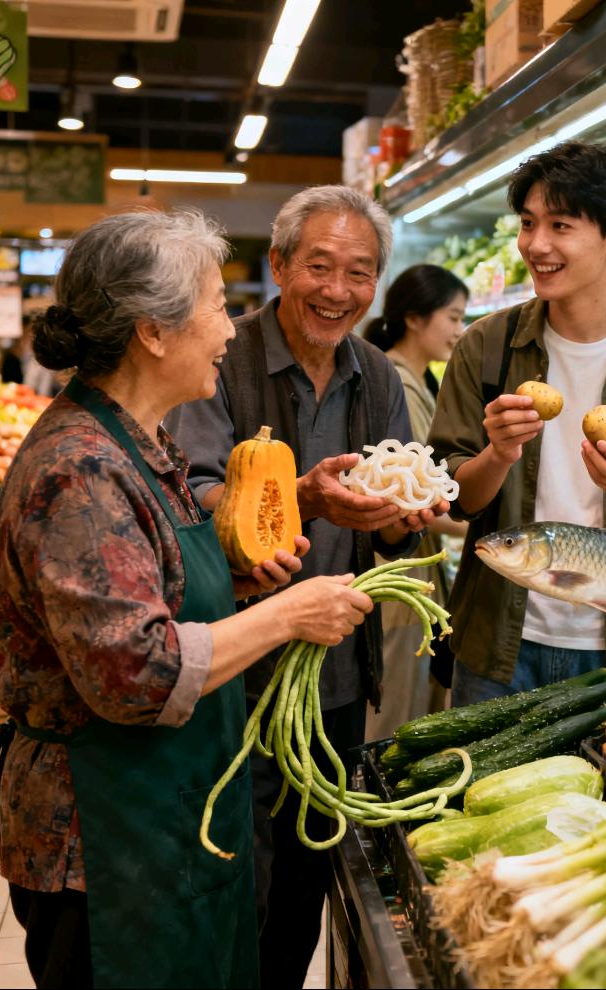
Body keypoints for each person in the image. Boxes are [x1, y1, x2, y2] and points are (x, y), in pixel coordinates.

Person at [0, 209, 374, 990]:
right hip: (97, 839)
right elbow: (137, 674)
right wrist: (288, 614)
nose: (230, 331)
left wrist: (241, 576)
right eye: (214, 306)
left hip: (158, 812)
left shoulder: (142, 442)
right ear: (152, 332)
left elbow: (145, 588)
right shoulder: (80, 471)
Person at [167, 185, 448, 988]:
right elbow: (195, 503)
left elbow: (391, 529)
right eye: (318, 266)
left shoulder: (376, 377)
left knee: (306, 879)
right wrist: (303, 499)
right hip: (238, 671)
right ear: (280, 265)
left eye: (359, 273)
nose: (337, 290)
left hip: (333, 678)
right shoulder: (222, 358)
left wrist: (403, 509)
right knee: (234, 881)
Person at [428, 141, 606, 707]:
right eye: (528, 223)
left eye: (560, 225)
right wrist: (497, 454)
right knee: (479, 794)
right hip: (495, 641)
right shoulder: (485, 347)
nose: (536, 245)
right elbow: (454, 498)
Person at [362, 263, 470, 738]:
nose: (459, 331)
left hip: (412, 576)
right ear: (414, 318)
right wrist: (481, 528)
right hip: (397, 576)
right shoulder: (398, 386)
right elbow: (413, 497)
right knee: (391, 717)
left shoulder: (421, 381)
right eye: (453, 317)